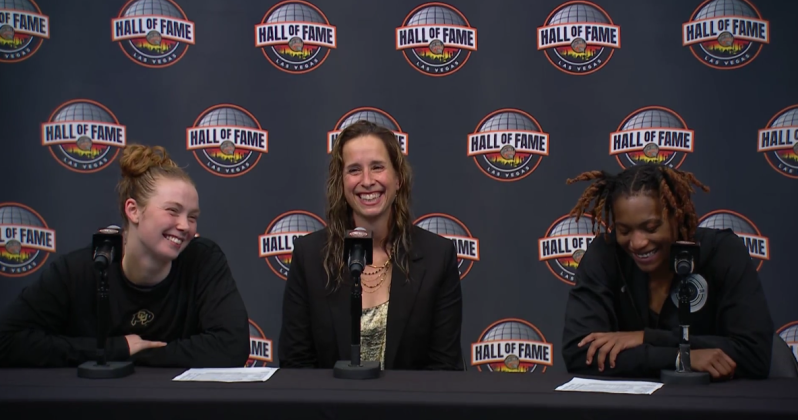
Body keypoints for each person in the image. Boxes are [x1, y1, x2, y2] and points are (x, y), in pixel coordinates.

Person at [0, 144, 250, 368]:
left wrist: (138, 356)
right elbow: (7, 340)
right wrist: (116, 348)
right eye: (172, 211)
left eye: (192, 216)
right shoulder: (80, 270)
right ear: (133, 210)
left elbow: (232, 346)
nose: (185, 226)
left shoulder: (203, 260)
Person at [279, 120, 464, 370]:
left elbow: (444, 368)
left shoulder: (437, 257)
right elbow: (296, 365)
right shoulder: (309, 257)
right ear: (341, 183)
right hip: (329, 408)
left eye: (377, 167)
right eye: (354, 170)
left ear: (398, 178)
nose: (367, 181)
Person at [561, 163, 774, 380]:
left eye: (651, 228)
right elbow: (579, 354)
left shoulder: (722, 252)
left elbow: (754, 355)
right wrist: (681, 357)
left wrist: (645, 338)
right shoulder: (605, 254)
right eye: (624, 230)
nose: (637, 242)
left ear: (677, 215)